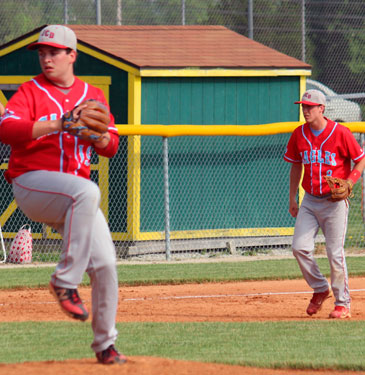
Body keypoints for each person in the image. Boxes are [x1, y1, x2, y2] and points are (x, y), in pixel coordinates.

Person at [0, 25, 126, 364]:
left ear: (72, 55)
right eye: (41, 52)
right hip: (32, 183)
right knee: (87, 191)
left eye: (53, 52)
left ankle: (105, 345)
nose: (46, 58)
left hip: (75, 197)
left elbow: (111, 145)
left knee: (106, 265)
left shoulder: (93, 95)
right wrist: (58, 124)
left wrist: (97, 137)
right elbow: (7, 129)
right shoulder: (29, 92)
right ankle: (65, 280)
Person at [284, 89, 365, 319]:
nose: (305, 110)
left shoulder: (341, 133)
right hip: (309, 200)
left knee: (334, 253)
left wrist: (350, 181)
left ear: (322, 108)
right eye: (303, 106)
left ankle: (343, 304)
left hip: (334, 202)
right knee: (299, 248)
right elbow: (296, 166)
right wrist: (292, 197)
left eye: (309, 106)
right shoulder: (299, 134)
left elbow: (360, 160)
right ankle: (320, 288)